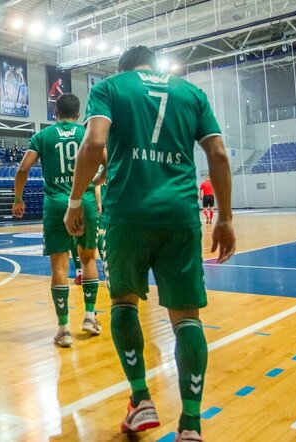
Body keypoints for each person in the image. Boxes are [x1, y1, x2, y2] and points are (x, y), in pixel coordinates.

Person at [64, 46, 235, 442]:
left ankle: (141, 400)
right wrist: (224, 217)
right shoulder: (190, 94)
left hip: (126, 214)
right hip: (180, 215)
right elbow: (219, 155)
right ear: (155, 67)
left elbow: (93, 144)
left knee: (123, 302)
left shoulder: (111, 88)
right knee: (186, 317)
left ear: (123, 68)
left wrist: (76, 201)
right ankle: (191, 424)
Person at [13, 93, 101, 347]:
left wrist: (19, 199)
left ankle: (63, 329)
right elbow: (108, 160)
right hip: (82, 201)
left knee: (59, 267)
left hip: (55, 205)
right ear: (78, 113)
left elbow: (22, 169)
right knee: (88, 258)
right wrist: (98, 180)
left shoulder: (43, 136)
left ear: (55, 112)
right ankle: (89, 316)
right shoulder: (86, 132)